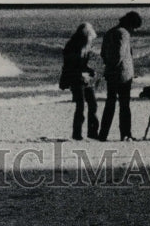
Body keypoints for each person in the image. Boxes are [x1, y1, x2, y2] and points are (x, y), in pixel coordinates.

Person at [97, 11, 142, 142]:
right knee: (124, 105)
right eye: (134, 27)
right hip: (122, 74)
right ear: (131, 24)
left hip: (110, 73)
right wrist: (117, 66)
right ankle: (125, 134)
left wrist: (108, 67)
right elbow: (120, 54)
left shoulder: (110, 32)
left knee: (109, 103)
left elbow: (103, 53)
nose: (134, 30)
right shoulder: (124, 33)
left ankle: (103, 134)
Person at [59, 22, 99, 140]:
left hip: (83, 78)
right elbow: (70, 66)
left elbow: (83, 65)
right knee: (80, 105)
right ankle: (77, 134)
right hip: (74, 78)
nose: (90, 42)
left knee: (92, 104)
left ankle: (92, 132)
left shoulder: (84, 47)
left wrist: (90, 71)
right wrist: (82, 73)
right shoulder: (72, 46)